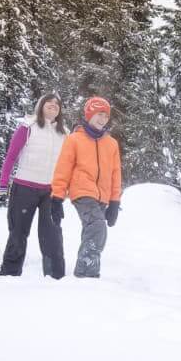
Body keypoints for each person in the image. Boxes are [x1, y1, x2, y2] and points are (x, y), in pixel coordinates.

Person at [0, 94, 68, 278]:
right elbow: (11, 156)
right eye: (49, 104)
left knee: (52, 235)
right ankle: (9, 275)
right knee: (18, 233)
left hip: (51, 192)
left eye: (56, 105)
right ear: (41, 106)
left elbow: (68, 164)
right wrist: (3, 184)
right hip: (24, 188)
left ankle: (55, 277)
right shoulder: (28, 127)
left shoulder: (64, 133)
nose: (53, 106)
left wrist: (66, 189)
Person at [50, 96, 122, 279]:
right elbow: (63, 169)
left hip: (103, 196)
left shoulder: (111, 143)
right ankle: (86, 273)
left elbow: (115, 174)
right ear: (89, 114)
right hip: (82, 192)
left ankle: (84, 273)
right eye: (99, 114)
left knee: (92, 231)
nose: (103, 119)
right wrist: (57, 197)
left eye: (106, 116)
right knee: (97, 226)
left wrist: (115, 201)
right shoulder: (74, 139)